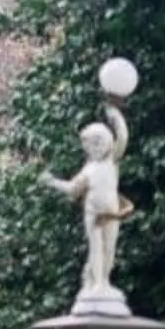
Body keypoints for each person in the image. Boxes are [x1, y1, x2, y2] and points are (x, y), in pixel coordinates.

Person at [43, 96, 134, 300]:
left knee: (110, 248)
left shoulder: (111, 161)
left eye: (97, 143)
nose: (94, 148)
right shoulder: (89, 169)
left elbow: (124, 137)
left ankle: (104, 281)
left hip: (111, 212)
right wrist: (53, 182)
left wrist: (115, 115)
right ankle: (97, 284)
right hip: (94, 215)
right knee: (97, 249)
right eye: (91, 145)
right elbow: (73, 188)